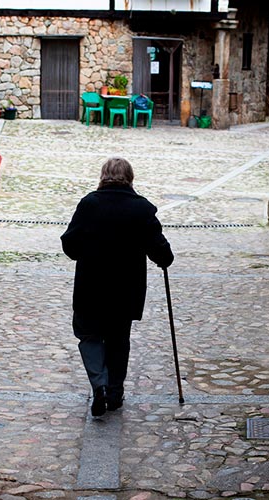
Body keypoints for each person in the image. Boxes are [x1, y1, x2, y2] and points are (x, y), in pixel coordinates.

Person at [61, 157, 174, 417]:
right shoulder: (142, 209)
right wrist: (164, 257)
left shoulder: (89, 204)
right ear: (130, 178)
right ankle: (114, 392)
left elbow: (70, 244)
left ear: (103, 177)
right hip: (125, 291)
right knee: (118, 341)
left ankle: (99, 384)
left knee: (88, 335)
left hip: (91, 288)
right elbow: (161, 251)